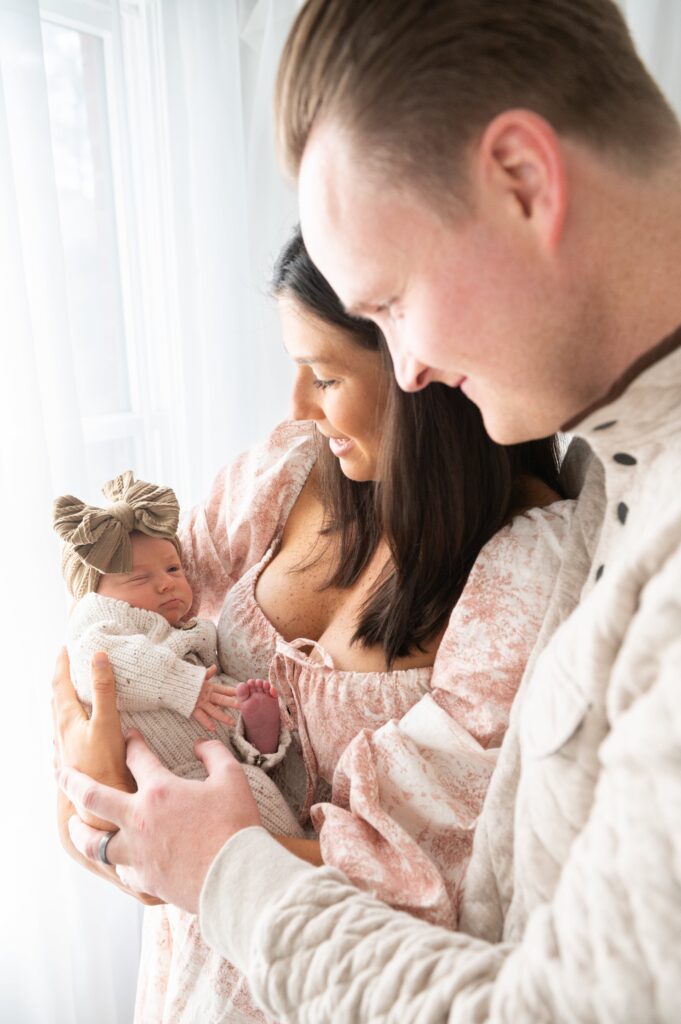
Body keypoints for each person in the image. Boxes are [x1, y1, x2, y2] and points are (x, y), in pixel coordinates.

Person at [54, 227, 572, 1022]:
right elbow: (92, 683)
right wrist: (102, 821)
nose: (297, 405)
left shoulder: (526, 566)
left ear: (424, 374)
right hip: (184, 986)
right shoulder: (283, 472)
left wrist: (179, 844)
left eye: (325, 375)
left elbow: (427, 884)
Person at [54, 471, 289, 794]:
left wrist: (245, 714)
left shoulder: (187, 634)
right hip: (163, 778)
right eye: (139, 578)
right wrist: (185, 686)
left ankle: (258, 741)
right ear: (93, 593)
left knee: (262, 795)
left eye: (173, 569)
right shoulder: (95, 616)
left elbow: (212, 687)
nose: (166, 583)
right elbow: (105, 663)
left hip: (220, 768)